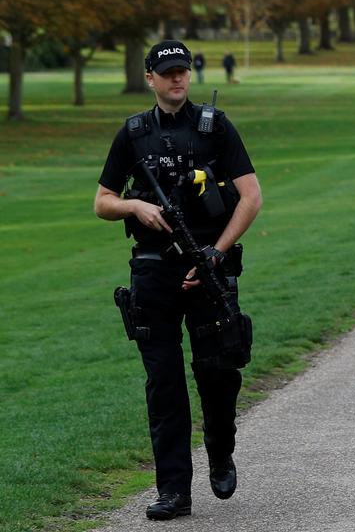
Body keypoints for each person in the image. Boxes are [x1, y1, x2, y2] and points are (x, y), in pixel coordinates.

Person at [94, 40, 263, 521]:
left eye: (183, 71)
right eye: (167, 73)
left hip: (208, 269)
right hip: (153, 274)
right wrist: (134, 205)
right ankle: (174, 490)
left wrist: (216, 252)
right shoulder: (133, 133)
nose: (177, 80)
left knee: (218, 374)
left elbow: (251, 196)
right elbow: (103, 200)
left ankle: (220, 448)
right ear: (149, 78)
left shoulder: (215, 127)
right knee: (163, 386)